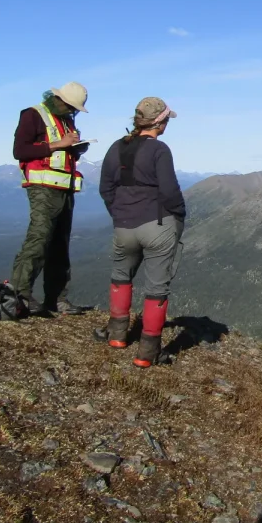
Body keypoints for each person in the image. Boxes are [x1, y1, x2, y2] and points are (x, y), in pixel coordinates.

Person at [98, 97, 185, 368]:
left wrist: (119, 214)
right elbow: (169, 191)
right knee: (157, 287)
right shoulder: (159, 150)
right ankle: (148, 353)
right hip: (157, 225)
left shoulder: (116, 147)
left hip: (124, 225)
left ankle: (116, 335)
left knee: (120, 276)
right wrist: (179, 215)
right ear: (160, 122)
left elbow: (106, 188)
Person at [10, 82, 89, 315]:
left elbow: (62, 153)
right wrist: (58, 144)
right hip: (42, 187)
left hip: (65, 188)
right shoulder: (33, 115)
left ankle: (56, 299)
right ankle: (19, 295)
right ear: (59, 100)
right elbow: (20, 151)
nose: (72, 111)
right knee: (39, 238)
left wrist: (76, 148)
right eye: (71, 106)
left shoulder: (65, 120)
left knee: (60, 244)